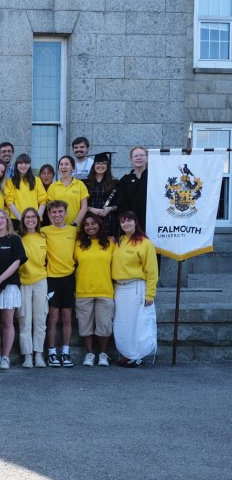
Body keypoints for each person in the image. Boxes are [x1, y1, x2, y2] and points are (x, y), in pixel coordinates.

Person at [112, 211, 158, 367]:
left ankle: (137, 355)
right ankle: (127, 353)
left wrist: (150, 294)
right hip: (120, 288)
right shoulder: (120, 241)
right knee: (123, 324)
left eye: (129, 220)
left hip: (136, 287)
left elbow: (152, 271)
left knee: (137, 324)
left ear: (136, 222)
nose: (126, 224)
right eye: (123, 222)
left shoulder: (145, 243)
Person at [0, 209, 26, 370]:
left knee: (8, 322)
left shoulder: (14, 239)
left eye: (2, 218)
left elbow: (17, 261)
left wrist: (0, 279)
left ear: (7, 221)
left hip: (8, 285)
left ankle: (6, 357)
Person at [75, 213, 116, 367]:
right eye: (86, 224)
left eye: (93, 223)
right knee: (85, 326)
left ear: (99, 224)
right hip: (83, 290)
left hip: (105, 290)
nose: (90, 227)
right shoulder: (78, 244)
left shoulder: (110, 243)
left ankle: (103, 354)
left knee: (104, 325)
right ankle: (90, 354)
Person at [40, 200, 78, 367]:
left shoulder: (73, 231)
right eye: (53, 212)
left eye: (60, 212)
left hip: (69, 278)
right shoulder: (44, 231)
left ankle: (65, 352)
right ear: (49, 214)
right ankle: (52, 352)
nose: (57, 215)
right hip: (52, 278)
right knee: (53, 317)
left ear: (65, 212)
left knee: (67, 317)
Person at [18, 208, 49, 369]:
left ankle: (38, 354)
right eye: (27, 217)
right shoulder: (18, 238)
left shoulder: (43, 237)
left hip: (41, 280)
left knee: (40, 319)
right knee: (25, 320)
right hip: (23, 281)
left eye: (33, 217)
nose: (30, 220)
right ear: (23, 220)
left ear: (38, 219)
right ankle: (27, 355)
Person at [5, 154, 47, 229]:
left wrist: (36, 218)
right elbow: (9, 202)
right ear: (16, 165)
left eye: (26, 163)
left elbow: (43, 201)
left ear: (29, 165)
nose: (23, 165)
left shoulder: (37, 180)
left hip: (34, 221)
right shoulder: (10, 182)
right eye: (20, 163)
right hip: (17, 220)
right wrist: (22, 219)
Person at [47, 155, 88, 227]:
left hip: (75, 228)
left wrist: (75, 224)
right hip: (57, 228)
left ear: (73, 167)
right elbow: (49, 209)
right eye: (61, 164)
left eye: (66, 164)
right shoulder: (53, 186)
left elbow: (84, 207)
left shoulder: (80, 185)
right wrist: (54, 224)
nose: (63, 166)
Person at [85, 152, 120, 237]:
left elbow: (120, 202)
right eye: (98, 163)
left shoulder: (115, 183)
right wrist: (91, 209)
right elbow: (81, 203)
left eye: (104, 163)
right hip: (91, 219)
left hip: (109, 219)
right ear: (94, 165)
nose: (100, 166)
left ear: (108, 166)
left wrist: (110, 208)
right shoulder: (85, 183)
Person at [116, 146, 149, 233]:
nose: (138, 158)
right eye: (135, 156)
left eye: (141, 155)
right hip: (131, 224)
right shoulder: (125, 180)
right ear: (131, 159)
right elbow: (121, 203)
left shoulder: (154, 177)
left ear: (147, 158)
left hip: (151, 220)